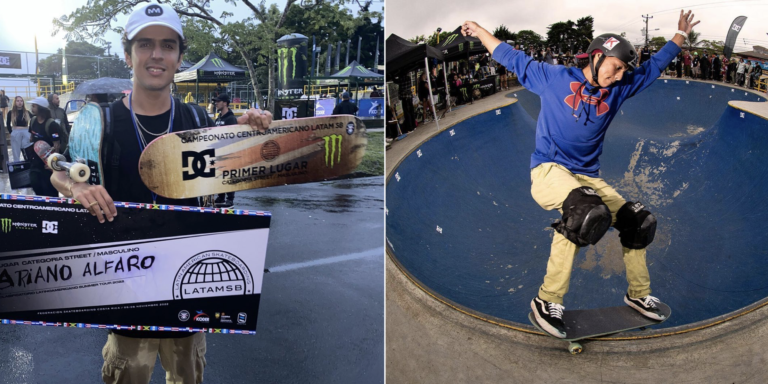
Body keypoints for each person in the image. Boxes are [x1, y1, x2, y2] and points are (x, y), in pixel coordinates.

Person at [48, 4, 272, 383]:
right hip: (124, 287)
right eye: (145, 44)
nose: (156, 54)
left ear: (179, 58)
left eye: (168, 45)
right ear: (128, 54)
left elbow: (242, 163)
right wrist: (75, 186)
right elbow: (60, 172)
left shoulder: (197, 121)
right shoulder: (99, 121)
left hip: (188, 285)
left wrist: (253, 131)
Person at [461, 9, 699, 339]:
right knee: (585, 212)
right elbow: (510, 56)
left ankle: (638, 294)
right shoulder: (553, 78)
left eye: (624, 71)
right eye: (616, 67)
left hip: (587, 178)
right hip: (549, 170)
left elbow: (655, 66)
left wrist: (681, 35)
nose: (619, 76)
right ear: (598, 57)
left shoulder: (620, 88)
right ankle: (547, 300)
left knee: (638, 221)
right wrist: (479, 30)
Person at [27, 97, 62, 197]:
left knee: (49, 190)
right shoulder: (33, 120)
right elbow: (32, 136)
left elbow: (57, 145)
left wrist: (53, 164)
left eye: (34, 106)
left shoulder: (51, 124)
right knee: (35, 184)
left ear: (41, 108)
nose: (32, 108)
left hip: (47, 164)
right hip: (35, 161)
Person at [212, 93, 238, 208]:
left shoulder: (231, 118)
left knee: (228, 175)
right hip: (218, 152)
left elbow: (233, 136)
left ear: (225, 103)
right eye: (215, 101)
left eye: (218, 101)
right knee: (219, 175)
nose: (216, 103)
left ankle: (230, 199)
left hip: (228, 152)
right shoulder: (218, 118)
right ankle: (221, 197)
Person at [7, 96, 31, 162]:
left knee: (27, 149)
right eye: (18, 101)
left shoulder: (27, 112)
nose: (20, 102)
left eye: (21, 101)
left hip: (26, 131)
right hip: (16, 131)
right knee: (16, 150)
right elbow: (8, 123)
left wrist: (30, 131)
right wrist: (11, 132)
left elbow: (33, 120)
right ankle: (16, 163)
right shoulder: (11, 112)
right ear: (15, 102)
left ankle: (28, 163)